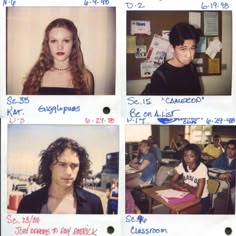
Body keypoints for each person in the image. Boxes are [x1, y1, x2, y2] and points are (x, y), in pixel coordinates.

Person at [17, 137, 103, 214]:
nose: (69, 172)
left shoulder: (94, 204)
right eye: (62, 164)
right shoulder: (28, 203)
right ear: (50, 166)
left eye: (74, 166)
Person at [22, 18, 94, 95]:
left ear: (73, 44)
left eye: (66, 41)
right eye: (54, 41)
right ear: (47, 44)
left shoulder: (85, 77)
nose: (60, 47)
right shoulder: (36, 76)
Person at [149, 22, 202, 95]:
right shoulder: (160, 76)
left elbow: (197, 93)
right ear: (172, 48)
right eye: (183, 49)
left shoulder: (192, 67)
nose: (189, 55)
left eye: (192, 48)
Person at [170, 144, 210, 214]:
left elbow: (198, 195)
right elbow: (172, 182)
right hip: (187, 195)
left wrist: (188, 187)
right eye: (185, 155)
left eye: (191, 156)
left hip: (201, 200)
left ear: (197, 157)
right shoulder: (183, 165)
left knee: (181, 213)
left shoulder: (202, 168)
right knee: (172, 210)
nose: (187, 159)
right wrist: (181, 188)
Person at [211, 140, 236, 213]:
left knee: (234, 195)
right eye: (228, 148)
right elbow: (214, 166)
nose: (230, 151)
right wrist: (228, 171)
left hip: (234, 182)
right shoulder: (223, 156)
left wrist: (231, 173)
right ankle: (212, 208)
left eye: (233, 149)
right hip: (221, 180)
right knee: (213, 186)